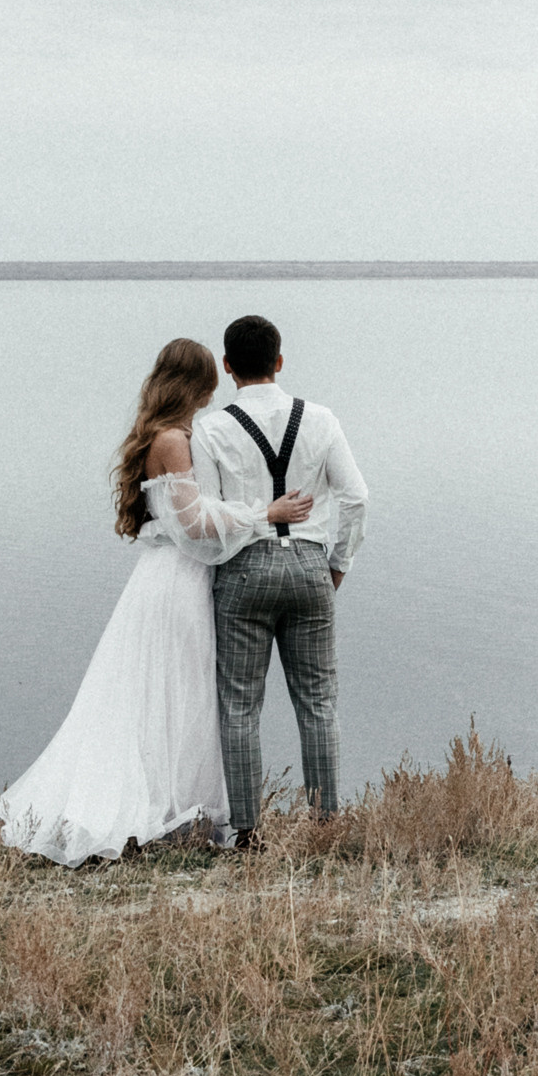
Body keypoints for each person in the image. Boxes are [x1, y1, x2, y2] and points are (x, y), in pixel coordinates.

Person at [0, 338, 313, 866]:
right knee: (174, 692)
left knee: (172, 693)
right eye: (209, 383)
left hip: (172, 577)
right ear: (201, 384)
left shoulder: (169, 435)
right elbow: (193, 524)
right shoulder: (171, 440)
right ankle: (162, 810)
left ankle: (179, 807)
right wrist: (265, 514)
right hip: (177, 581)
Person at [191, 312, 369, 847]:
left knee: (240, 704)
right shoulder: (321, 418)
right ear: (280, 361)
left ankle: (247, 833)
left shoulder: (212, 428)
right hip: (312, 568)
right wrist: (337, 564)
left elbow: (209, 517)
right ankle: (325, 824)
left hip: (244, 571)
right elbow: (357, 498)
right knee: (318, 700)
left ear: (227, 368)